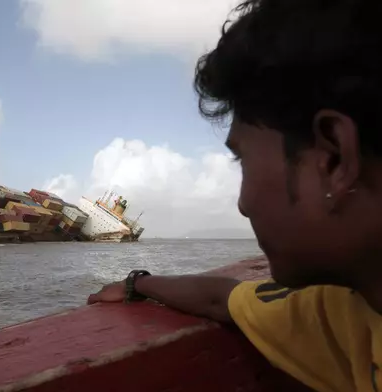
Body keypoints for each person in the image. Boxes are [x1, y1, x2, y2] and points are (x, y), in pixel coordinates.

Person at [87, 0, 382, 391]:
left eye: (242, 159)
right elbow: (222, 298)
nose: (242, 205)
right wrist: (138, 284)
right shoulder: (352, 312)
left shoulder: (347, 319)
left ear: (333, 158)